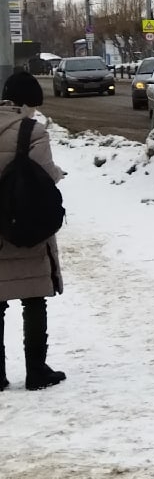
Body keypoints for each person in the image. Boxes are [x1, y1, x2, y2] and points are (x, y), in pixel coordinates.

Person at [0, 70, 65, 392]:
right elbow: (44, 175)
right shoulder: (32, 131)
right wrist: (59, 173)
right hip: (26, 222)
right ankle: (36, 371)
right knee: (34, 297)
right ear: (26, 103)